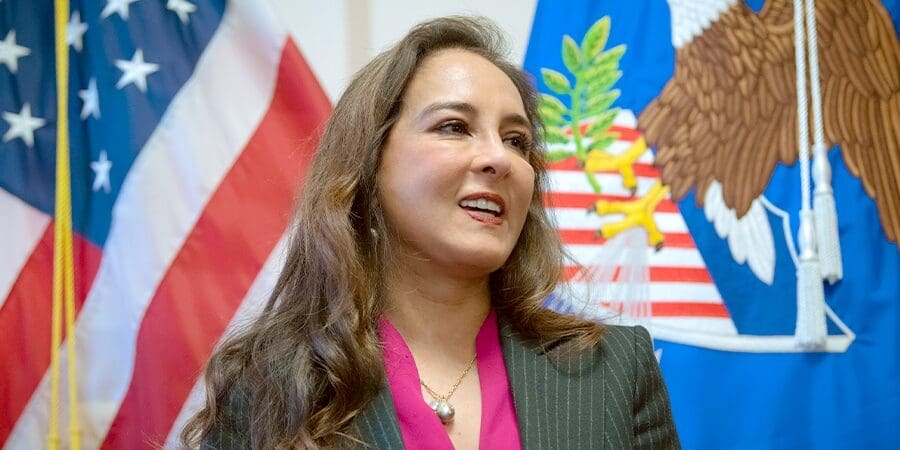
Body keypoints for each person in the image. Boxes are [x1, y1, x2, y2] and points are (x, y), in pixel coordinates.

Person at [181, 16, 680, 450]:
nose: (499, 158)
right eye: (454, 127)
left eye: (516, 140)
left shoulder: (616, 369)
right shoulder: (269, 386)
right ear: (369, 164)